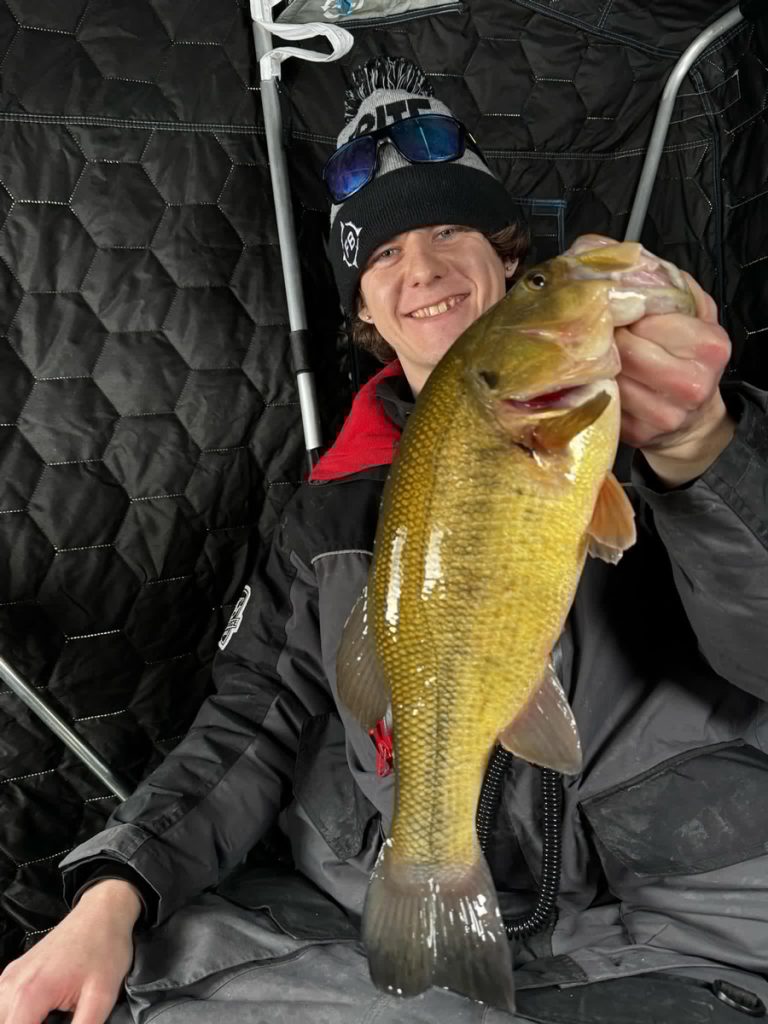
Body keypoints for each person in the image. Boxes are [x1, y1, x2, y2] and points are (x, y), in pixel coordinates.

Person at [1, 55, 766, 1024]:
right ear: (363, 310)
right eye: (384, 255)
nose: (425, 270)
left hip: (688, 939)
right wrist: (114, 888)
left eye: (451, 229)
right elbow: (248, 725)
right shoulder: (324, 514)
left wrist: (707, 452)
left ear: (503, 254)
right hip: (372, 942)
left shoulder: (687, 425)